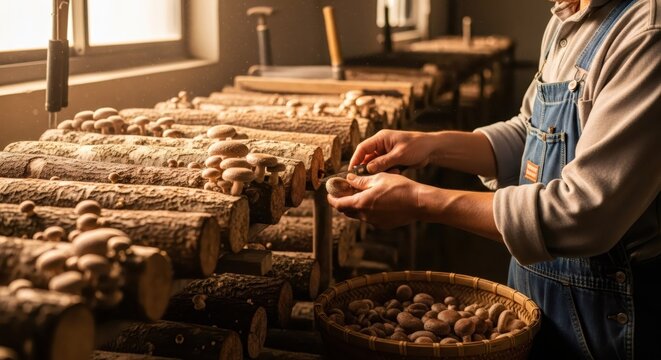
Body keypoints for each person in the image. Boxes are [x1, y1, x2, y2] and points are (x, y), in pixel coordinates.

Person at [327, 0, 660, 357]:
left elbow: (584, 214)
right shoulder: (568, 17)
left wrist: (422, 201)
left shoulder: (646, 34)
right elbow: (532, 135)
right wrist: (431, 145)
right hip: (539, 296)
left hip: (610, 318)